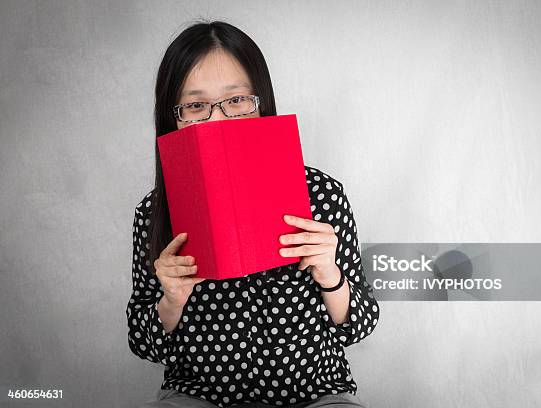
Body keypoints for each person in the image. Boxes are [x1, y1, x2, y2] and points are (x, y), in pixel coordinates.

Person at [126, 19, 380, 408]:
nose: (217, 120)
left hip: (316, 393)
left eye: (236, 100)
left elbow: (360, 325)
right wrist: (171, 300)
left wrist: (330, 275)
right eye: (195, 106)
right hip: (199, 394)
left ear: (261, 102)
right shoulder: (153, 212)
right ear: (172, 117)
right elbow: (142, 342)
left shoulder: (322, 196)